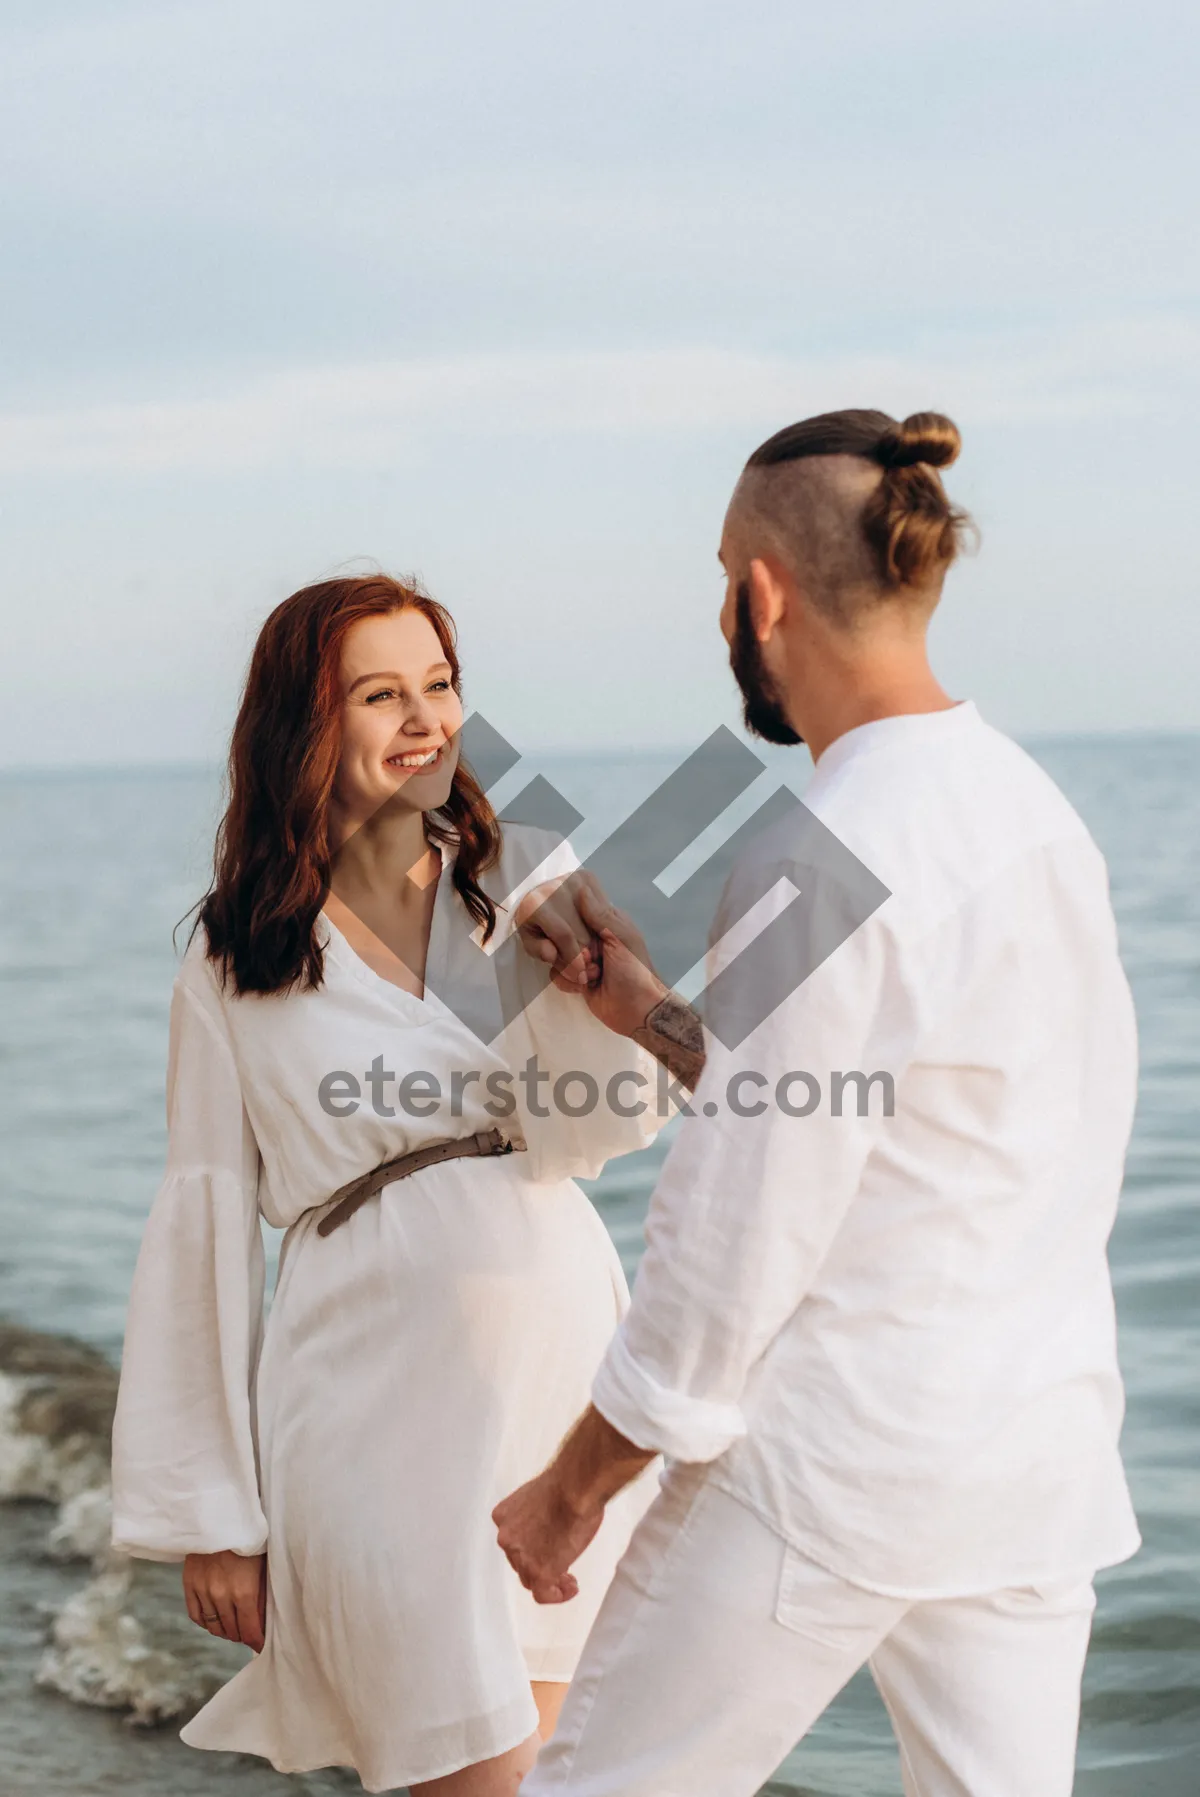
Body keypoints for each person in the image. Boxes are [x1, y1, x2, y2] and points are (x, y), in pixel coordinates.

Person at [494, 410, 1142, 1797]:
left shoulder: (821, 845)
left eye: (722, 576)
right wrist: (652, 1014)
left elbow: (735, 1234)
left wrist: (573, 1487)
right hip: (1033, 1459)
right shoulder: (1034, 814)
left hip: (832, 1465)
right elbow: (918, 1113)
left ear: (761, 593)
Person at [109, 574, 678, 1797]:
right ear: (300, 725)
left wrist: (601, 988)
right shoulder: (236, 954)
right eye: (381, 693)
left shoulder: (521, 873)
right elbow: (201, 1225)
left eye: (439, 685)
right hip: (363, 1403)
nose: (425, 718)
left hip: (553, 1375)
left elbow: (607, 1120)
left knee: (564, 1776)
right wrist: (216, 1510)